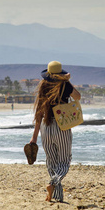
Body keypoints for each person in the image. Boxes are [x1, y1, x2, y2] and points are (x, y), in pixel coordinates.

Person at [30, 61, 81, 202]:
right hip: (62, 126)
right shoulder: (65, 85)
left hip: (45, 127)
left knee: (51, 162)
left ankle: (55, 196)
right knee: (64, 162)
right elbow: (77, 97)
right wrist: (67, 81)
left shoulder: (43, 86)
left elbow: (38, 113)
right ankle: (52, 183)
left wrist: (34, 137)